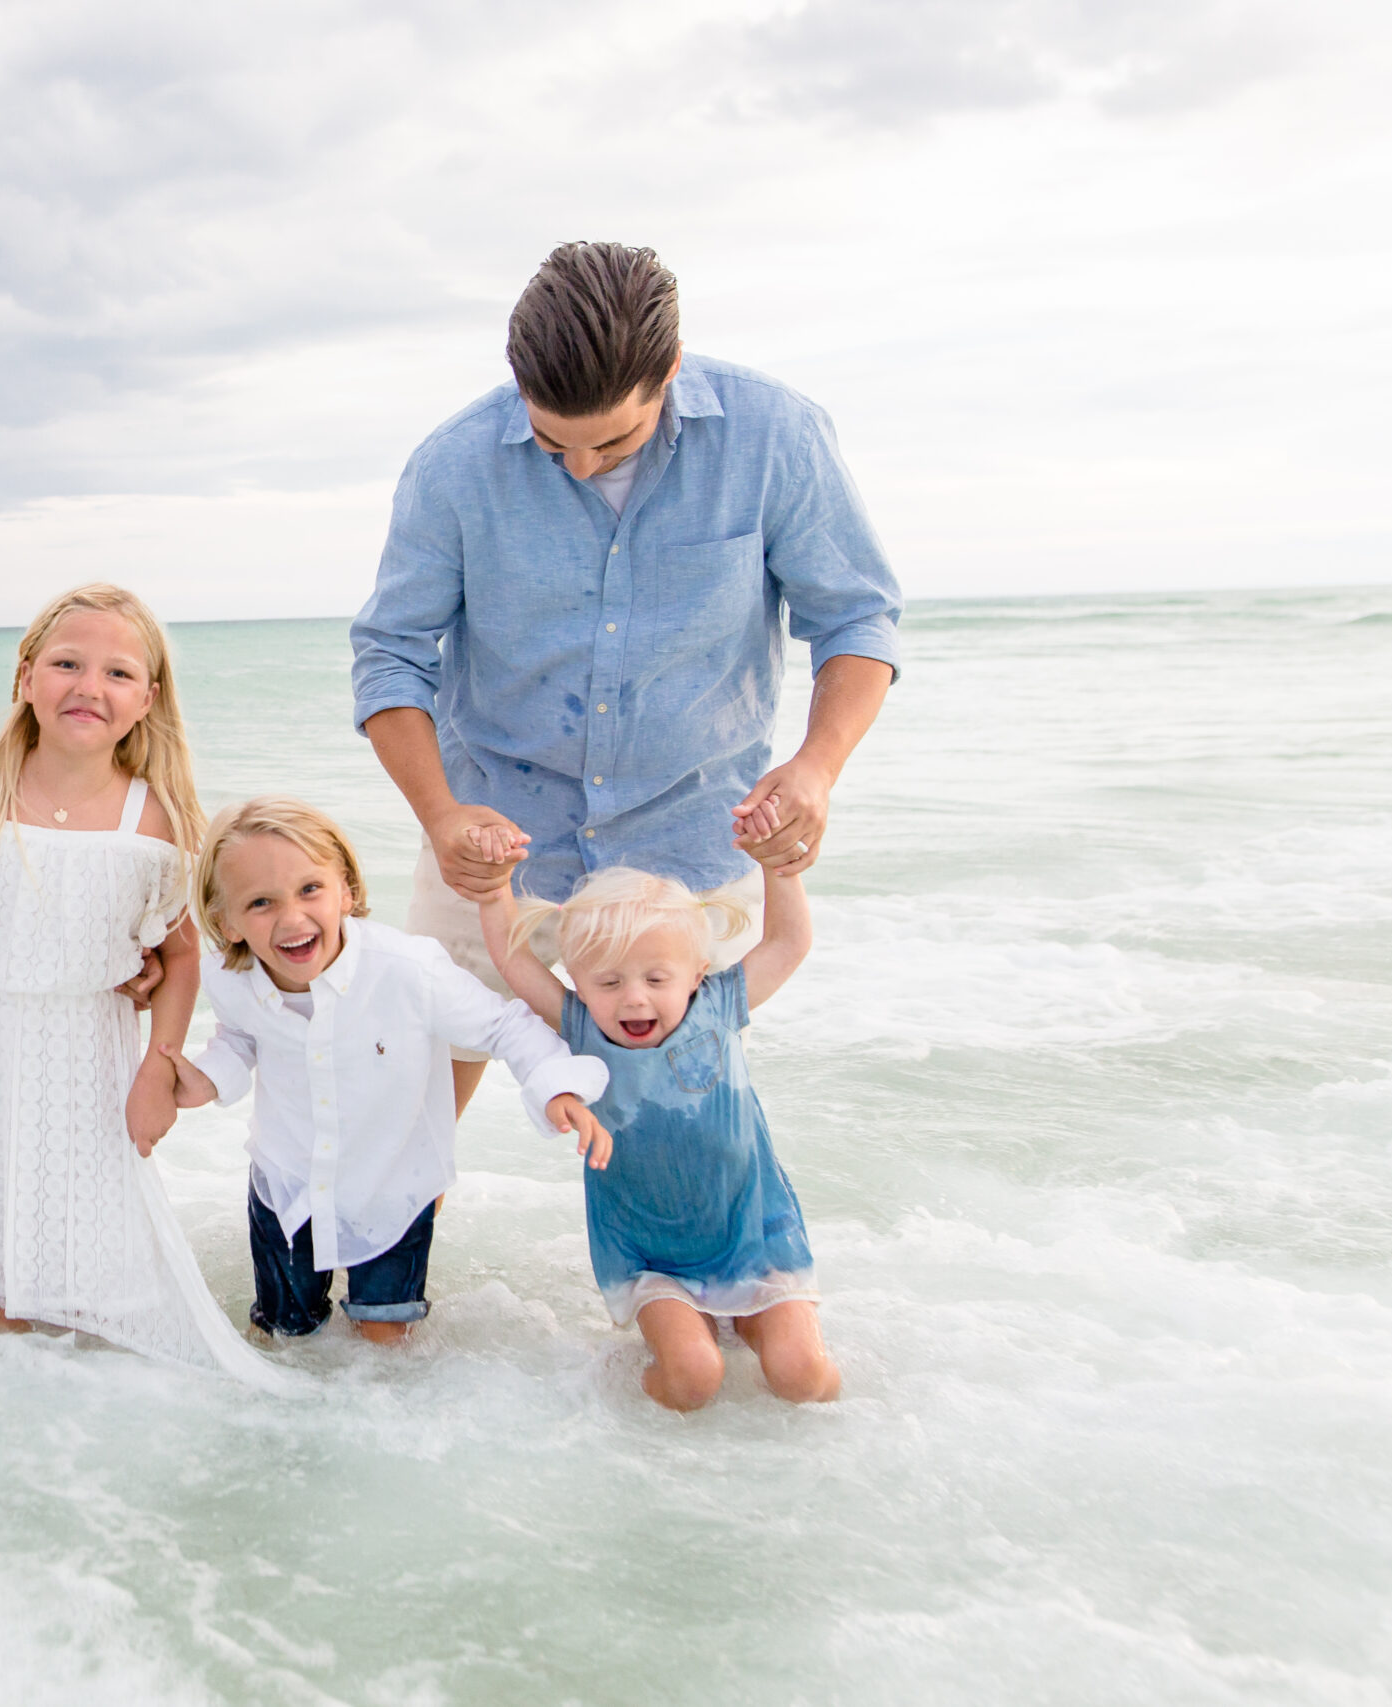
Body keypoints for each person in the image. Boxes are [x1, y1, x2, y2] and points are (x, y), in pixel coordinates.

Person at [350, 240, 902, 1113]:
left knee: (680, 1137)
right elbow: (391, 656)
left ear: (671, 370)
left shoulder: (776, 436)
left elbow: (857, 618)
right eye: (549, 440)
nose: (577, 464)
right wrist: (441, 814)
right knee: (410, 1122)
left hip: (688, 843)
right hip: (493, 838)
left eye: (610, 440)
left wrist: (817, 766)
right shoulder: (452, 465)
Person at [0, 584, 278, 1385]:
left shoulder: (156, 816)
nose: (88, 687)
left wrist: (158, 1069)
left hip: (91, 1061)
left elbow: (178, 959)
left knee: (82, 1253)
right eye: (67, 663)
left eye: (117, 673)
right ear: (26, 676)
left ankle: (75, 1405)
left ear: (148, 699)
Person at [155, 798, 612, 1344]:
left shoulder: (408, 970)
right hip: (288, 1183)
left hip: (393, 1185)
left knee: (384, 1340)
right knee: (282, 1334)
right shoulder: (232, 980)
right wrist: (202, 1081)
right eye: (260, 903)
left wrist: (556, 1086)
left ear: (345, 889)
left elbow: (503, 1025)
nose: (292, 918)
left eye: (310, 890)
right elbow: (240, 1038)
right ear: (226, 922)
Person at [471, 818, 841, 1411]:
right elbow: (514, 964)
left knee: (800, 1377)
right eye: (609, 981)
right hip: (649, 1253)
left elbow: (788, 944)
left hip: (753, 1234)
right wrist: (494, 893)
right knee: (694, 1379)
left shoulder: (719, 1007)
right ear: (579, 983)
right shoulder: (581, 1027)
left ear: (696, 973)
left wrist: (777, 866)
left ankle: (806, 1395)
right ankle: (625, 1389)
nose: (635, 997)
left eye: (656, 978)